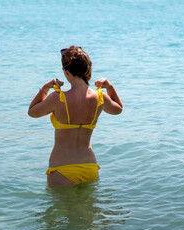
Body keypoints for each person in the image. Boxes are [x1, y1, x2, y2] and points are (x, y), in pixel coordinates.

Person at [28, 46, 123, 186]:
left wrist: (45, 87)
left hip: (62, 169)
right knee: (90, 208)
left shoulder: (57, 98)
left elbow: (32, 112)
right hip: (89, 167)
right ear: (88, 71)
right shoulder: (100, 98)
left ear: (66, 72)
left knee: (62, 208)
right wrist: (109, 87)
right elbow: (118, 109)